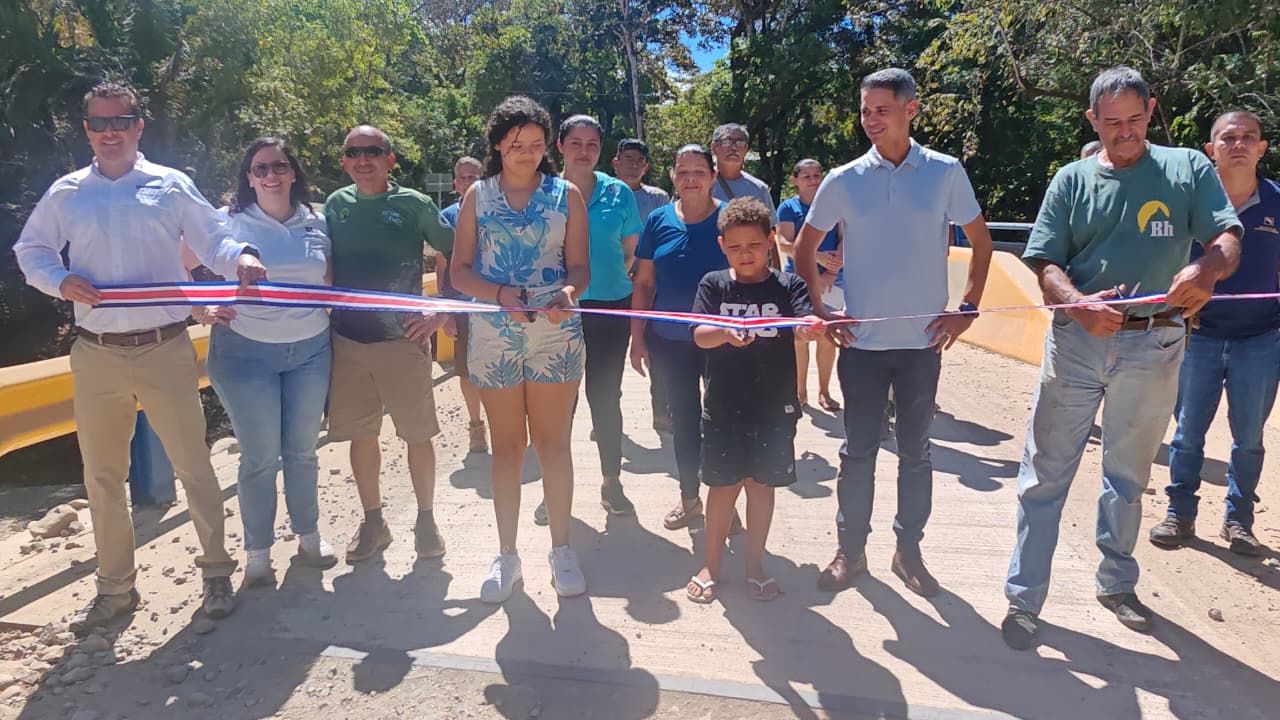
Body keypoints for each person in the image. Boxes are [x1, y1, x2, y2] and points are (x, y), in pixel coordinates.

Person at [1001, 67, 1242, 650]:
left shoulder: (1188, 168)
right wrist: (1077, 303)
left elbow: (1228, 237)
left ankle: (1116, 583)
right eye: (1112, 123)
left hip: (1155, 342)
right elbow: (1045, 263)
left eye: (1135, 119)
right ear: (1092, 120)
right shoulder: (1071, 179)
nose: (1125, 131)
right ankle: (1024, 599)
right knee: (1045, 473)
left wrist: (1207, 268)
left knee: (1128, 476)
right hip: (1077, 342)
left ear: (1151, 110)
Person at [13, 82, 267, 632]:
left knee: (193, 465)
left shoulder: (170, 186)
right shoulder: (66, 193)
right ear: (87, 129)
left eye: (120, 121)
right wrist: (59, 281)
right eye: (99, 123)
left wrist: (243, 258)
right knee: (103, 477)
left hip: (164, 346)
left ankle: (216, 572)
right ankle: (115, 588)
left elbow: (214, 240)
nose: (110, 132)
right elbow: (31, 250)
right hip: (96, 353)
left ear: (138, 126)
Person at [794, 68, 994, 599]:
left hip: (921, 346)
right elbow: (804, 246)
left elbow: (981, 242)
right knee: (857, 452)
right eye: (865, 111)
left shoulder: (945, 172)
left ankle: (908, 551)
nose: (870, 120)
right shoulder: (844, 179)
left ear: (911, 110)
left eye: (881, 110)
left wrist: (967, 308)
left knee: (916, 454)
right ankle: (850, 550)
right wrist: (822, 309)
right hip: (861, 346)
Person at [450, 95, 590, 603]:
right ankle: (507, 555)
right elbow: (459, 272)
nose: (527, 153)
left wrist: (568, 293)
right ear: (497, 146)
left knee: (553, 446)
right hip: (494, 335)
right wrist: (499, 295)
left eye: (535, 144)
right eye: (516, 145)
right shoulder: (477, 196)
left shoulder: (566, 194)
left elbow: (580, 269)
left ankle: (562, 550)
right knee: (507, 450)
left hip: (555, 333)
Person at [199, 137, 337, 586]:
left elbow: (329, 279)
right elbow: (175, 262)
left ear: (293, 172)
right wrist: (200, 309)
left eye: (279, 166)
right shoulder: (225, 222)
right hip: (245, 352)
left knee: (302, 450)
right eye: (260, 169)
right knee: (259, 457)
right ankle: (257, 552)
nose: (271, 175)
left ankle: (308, 535)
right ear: (249, 177)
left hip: (310, 350)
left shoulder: (317, 220)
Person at [323, 125, 455, 564]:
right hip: (348, 341)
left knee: (418, 435)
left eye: (373, 151)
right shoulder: (335, 205)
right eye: (353, 152)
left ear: (390, 159)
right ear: (344, 160)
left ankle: (426, 521)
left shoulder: (415, 205)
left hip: (404, 341)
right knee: (361, 436)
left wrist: (443, 311)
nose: (363, 160)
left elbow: (458, 254)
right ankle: (374, 522)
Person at [1151, 110, 1279, 557]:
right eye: (1228, 138)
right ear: (1211, 150)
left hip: (1261, 338)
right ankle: (1179, 514)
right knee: (1187, 433)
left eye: (1248, 137)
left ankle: (1239, 521)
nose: (1238, 144)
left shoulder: (1278, 201)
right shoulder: (1190, 202)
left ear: (1262, 148)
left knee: (1250, 438)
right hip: (1198, 336)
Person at [685, 198, 820, 604]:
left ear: (771, 241)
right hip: (723, 405)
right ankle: (711, 564)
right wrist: (725, 333)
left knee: (762, 486)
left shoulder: (789, 285)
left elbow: (801, 325)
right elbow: (699, 334)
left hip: (774, 407)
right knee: (722, 487)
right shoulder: (713, 284)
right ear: (722, 245)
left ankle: (756, 565)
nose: (746, 254)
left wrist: (809, 327)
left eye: (755, 245)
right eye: (736, 247)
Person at [631, 144, 741, 533]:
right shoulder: (658, 220)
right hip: (669, 342)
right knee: (684, 422)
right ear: (672, 176)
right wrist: (637, 337)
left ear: (713, 176)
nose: (690, 179)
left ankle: (725, 503)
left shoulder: (731, 219)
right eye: (682, 171)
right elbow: (644, 283)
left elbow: (756, 274)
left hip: (724, 343)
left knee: (723, 422)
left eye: (698, 171)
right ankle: (690, 499)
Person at [556, 115, 643, 517]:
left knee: (605, 397)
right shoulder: (544, 192)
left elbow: (630, 250)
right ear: (560, 146)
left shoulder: (618, 192)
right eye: (575, 143)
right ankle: (554, 488)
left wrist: (605, 279)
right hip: (558, 309)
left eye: (592, 144)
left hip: (610, 306)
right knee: (558, 402)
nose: (584, 151)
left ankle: (612, 481)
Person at [612, 138, 673, 432]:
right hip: (612, 285)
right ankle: (605, 415)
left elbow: (665, 237)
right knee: (610, 355)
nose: (633, 165)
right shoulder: (602, 194)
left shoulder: (659, 198)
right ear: (615, 162)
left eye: (639, 160)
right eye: (628, 158)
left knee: (656, 350)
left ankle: (661, 411)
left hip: (650, 285)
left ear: (646, 167)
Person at [776, 159, 843, 411]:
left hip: (833, 281)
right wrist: (816, 257)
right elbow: (784, 243)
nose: (813, 180)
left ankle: (824, 392)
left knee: (827, 336)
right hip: (798, 282)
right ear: (795, 180)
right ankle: (799, 391)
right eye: (807, 176)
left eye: (817, 175)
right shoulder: (788, 208)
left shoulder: (834, 205)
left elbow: (845, 239)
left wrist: (830, 271)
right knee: (799, 337)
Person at [439, 156, 489, 455]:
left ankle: (506, 424)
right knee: (467, 372)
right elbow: (442, 265)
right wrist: (445, 310)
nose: (469, 182)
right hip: (462, 306)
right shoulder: (447, 217)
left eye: (475, 177)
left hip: (495, 305)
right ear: (455, 183)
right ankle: (476, 427)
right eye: (464, 177)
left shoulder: (498, 210)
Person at [709, 123, 778, 225]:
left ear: (746, 148)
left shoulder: (759, 189)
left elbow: (771, 228)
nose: (734, 148)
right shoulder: (700, 183)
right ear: (714, 147)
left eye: (740, 143)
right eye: (726, 142)